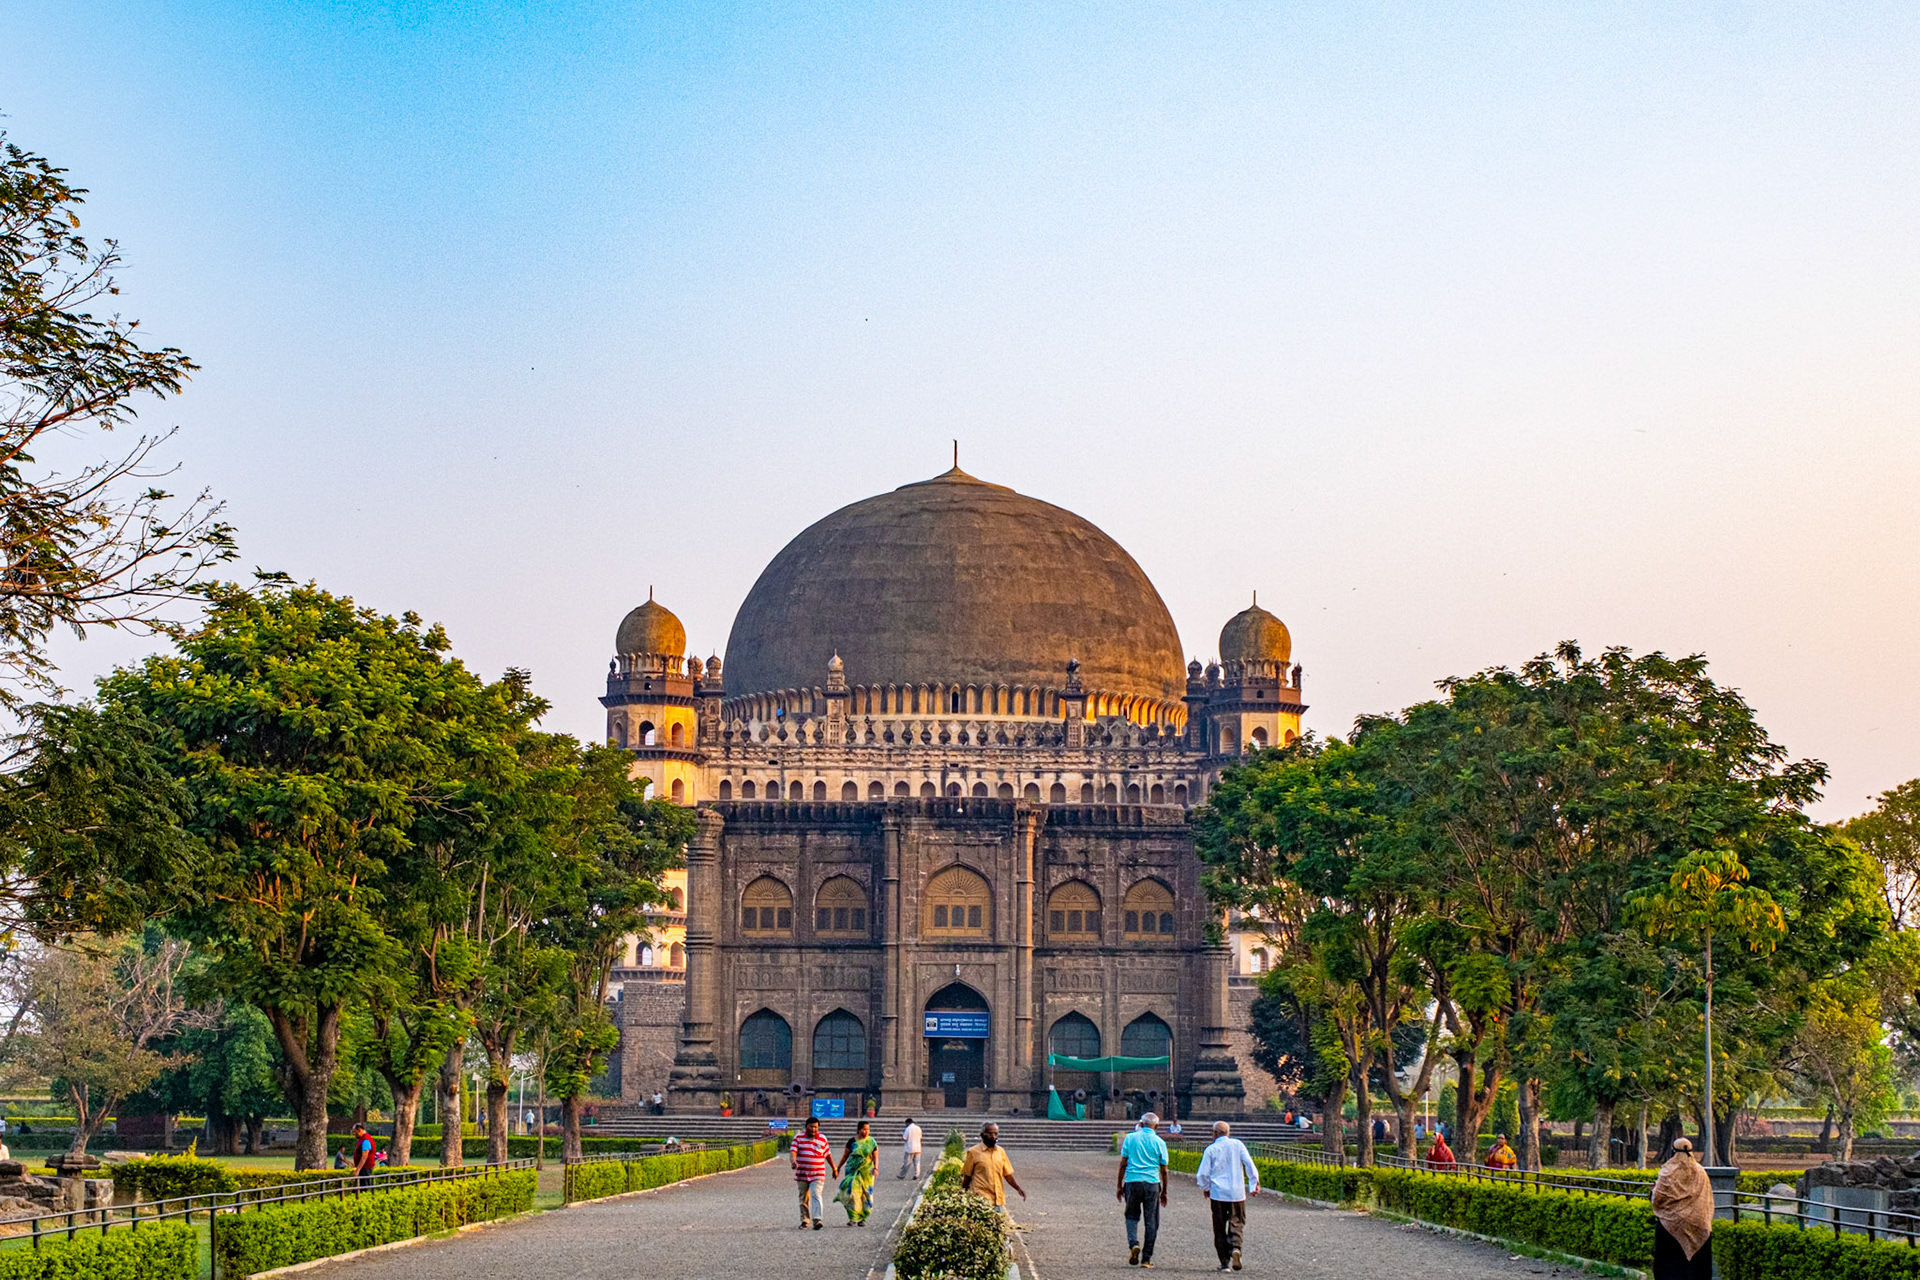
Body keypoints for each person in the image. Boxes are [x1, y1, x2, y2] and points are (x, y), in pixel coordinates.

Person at [1195, 1120, 1260, 1273]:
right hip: (1237, 1192)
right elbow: (1249, 1165)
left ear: (1215, 1133)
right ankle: (1236, 1248)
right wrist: (1253, 1184)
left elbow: (1203, 1173)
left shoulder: (1211, 1149)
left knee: (1219, 1227)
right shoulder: (1238, 1145)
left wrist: (1205, 1187)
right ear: (1228, 1133)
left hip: (1218, 1193)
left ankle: (1224, 1263)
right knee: (1237, 1222)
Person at [1650, 1138, 1715, 1279]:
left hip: (1671, 1226)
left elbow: (1659, 1198)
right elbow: (1707, 1198)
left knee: (1671, 1266)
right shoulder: (1701, 1172)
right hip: (1698, 1225)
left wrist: (1653, 1193)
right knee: (1697, 1267)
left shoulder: (1668, 1172)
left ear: (1673, 1151)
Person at [1116, 1112, 1170, 1268]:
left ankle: (1133, 1243)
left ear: (1140, 1123)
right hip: (1152, 1183)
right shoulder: (1159, 1142)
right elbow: (1164, 1169)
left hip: (1132, 1182)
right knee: (1151, 1220)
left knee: (1131, 1215)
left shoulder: (1131, 1138)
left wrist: (1119, 1185)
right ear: (1156, 1126)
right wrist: (1164, 1191)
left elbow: (1123, 1163)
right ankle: (1146, 1259)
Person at [961, 1123, 1026, 1214]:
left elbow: (1007, 1174)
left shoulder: (1000, 1152)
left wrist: (1018, 1188)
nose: (993, 1136)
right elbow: (967, 1175)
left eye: (996, 1134)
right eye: (990, 1133)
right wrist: (963, 1193)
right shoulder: (973, 1152)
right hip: (980, 1198)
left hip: (998, 1199)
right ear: (982, 1135)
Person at [791, 1116, 833, 1230]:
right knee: (803, 1198)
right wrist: (794, 1161)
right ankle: (805, 1220)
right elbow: (793, 1151)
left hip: (818, 1173)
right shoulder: (798, 1138)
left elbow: (828, 1154)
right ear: (806, 1127)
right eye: (811, 1127)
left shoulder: (823, 1139)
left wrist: (834, 1168)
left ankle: (817, 1219)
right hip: (802, 1173)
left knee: (816, 1194)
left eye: (815, 1127)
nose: (813, 1129)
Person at [836, 1120, 879, 1225]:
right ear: (858, 1130)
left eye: (868, 1129)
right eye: (864, 1129)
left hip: (867, 1172)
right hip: (852, 1171)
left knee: (866, 1195)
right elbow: (845, 1156)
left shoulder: (872, 1141)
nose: (866, 1132)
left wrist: (876, 1168)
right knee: (853, 1194)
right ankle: (853, 1217)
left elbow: (875, 1156)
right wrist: (838, 1167)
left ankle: (862, 1218)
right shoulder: (852, 1142)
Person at [351, 1123, 378, 1188]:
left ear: (359, 1130)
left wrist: (358, 1170)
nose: (353, 1134)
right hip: (363, 1168)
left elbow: (364, 1157)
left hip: (365, 1168)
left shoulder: (366, 1140)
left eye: (354, 1131)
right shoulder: (362, 1139)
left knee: (364, 1187)